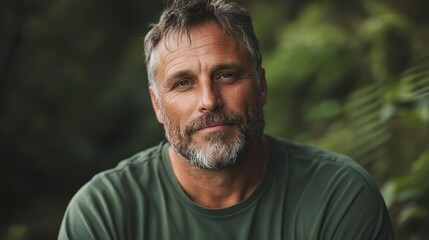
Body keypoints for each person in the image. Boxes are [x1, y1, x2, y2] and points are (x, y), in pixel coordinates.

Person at [58, 0, 395, 239]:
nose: (209, 101)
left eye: (227, 76)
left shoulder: (338, 195)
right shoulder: (103, 213)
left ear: (261, 86)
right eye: (183, 83)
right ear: (157, 105)